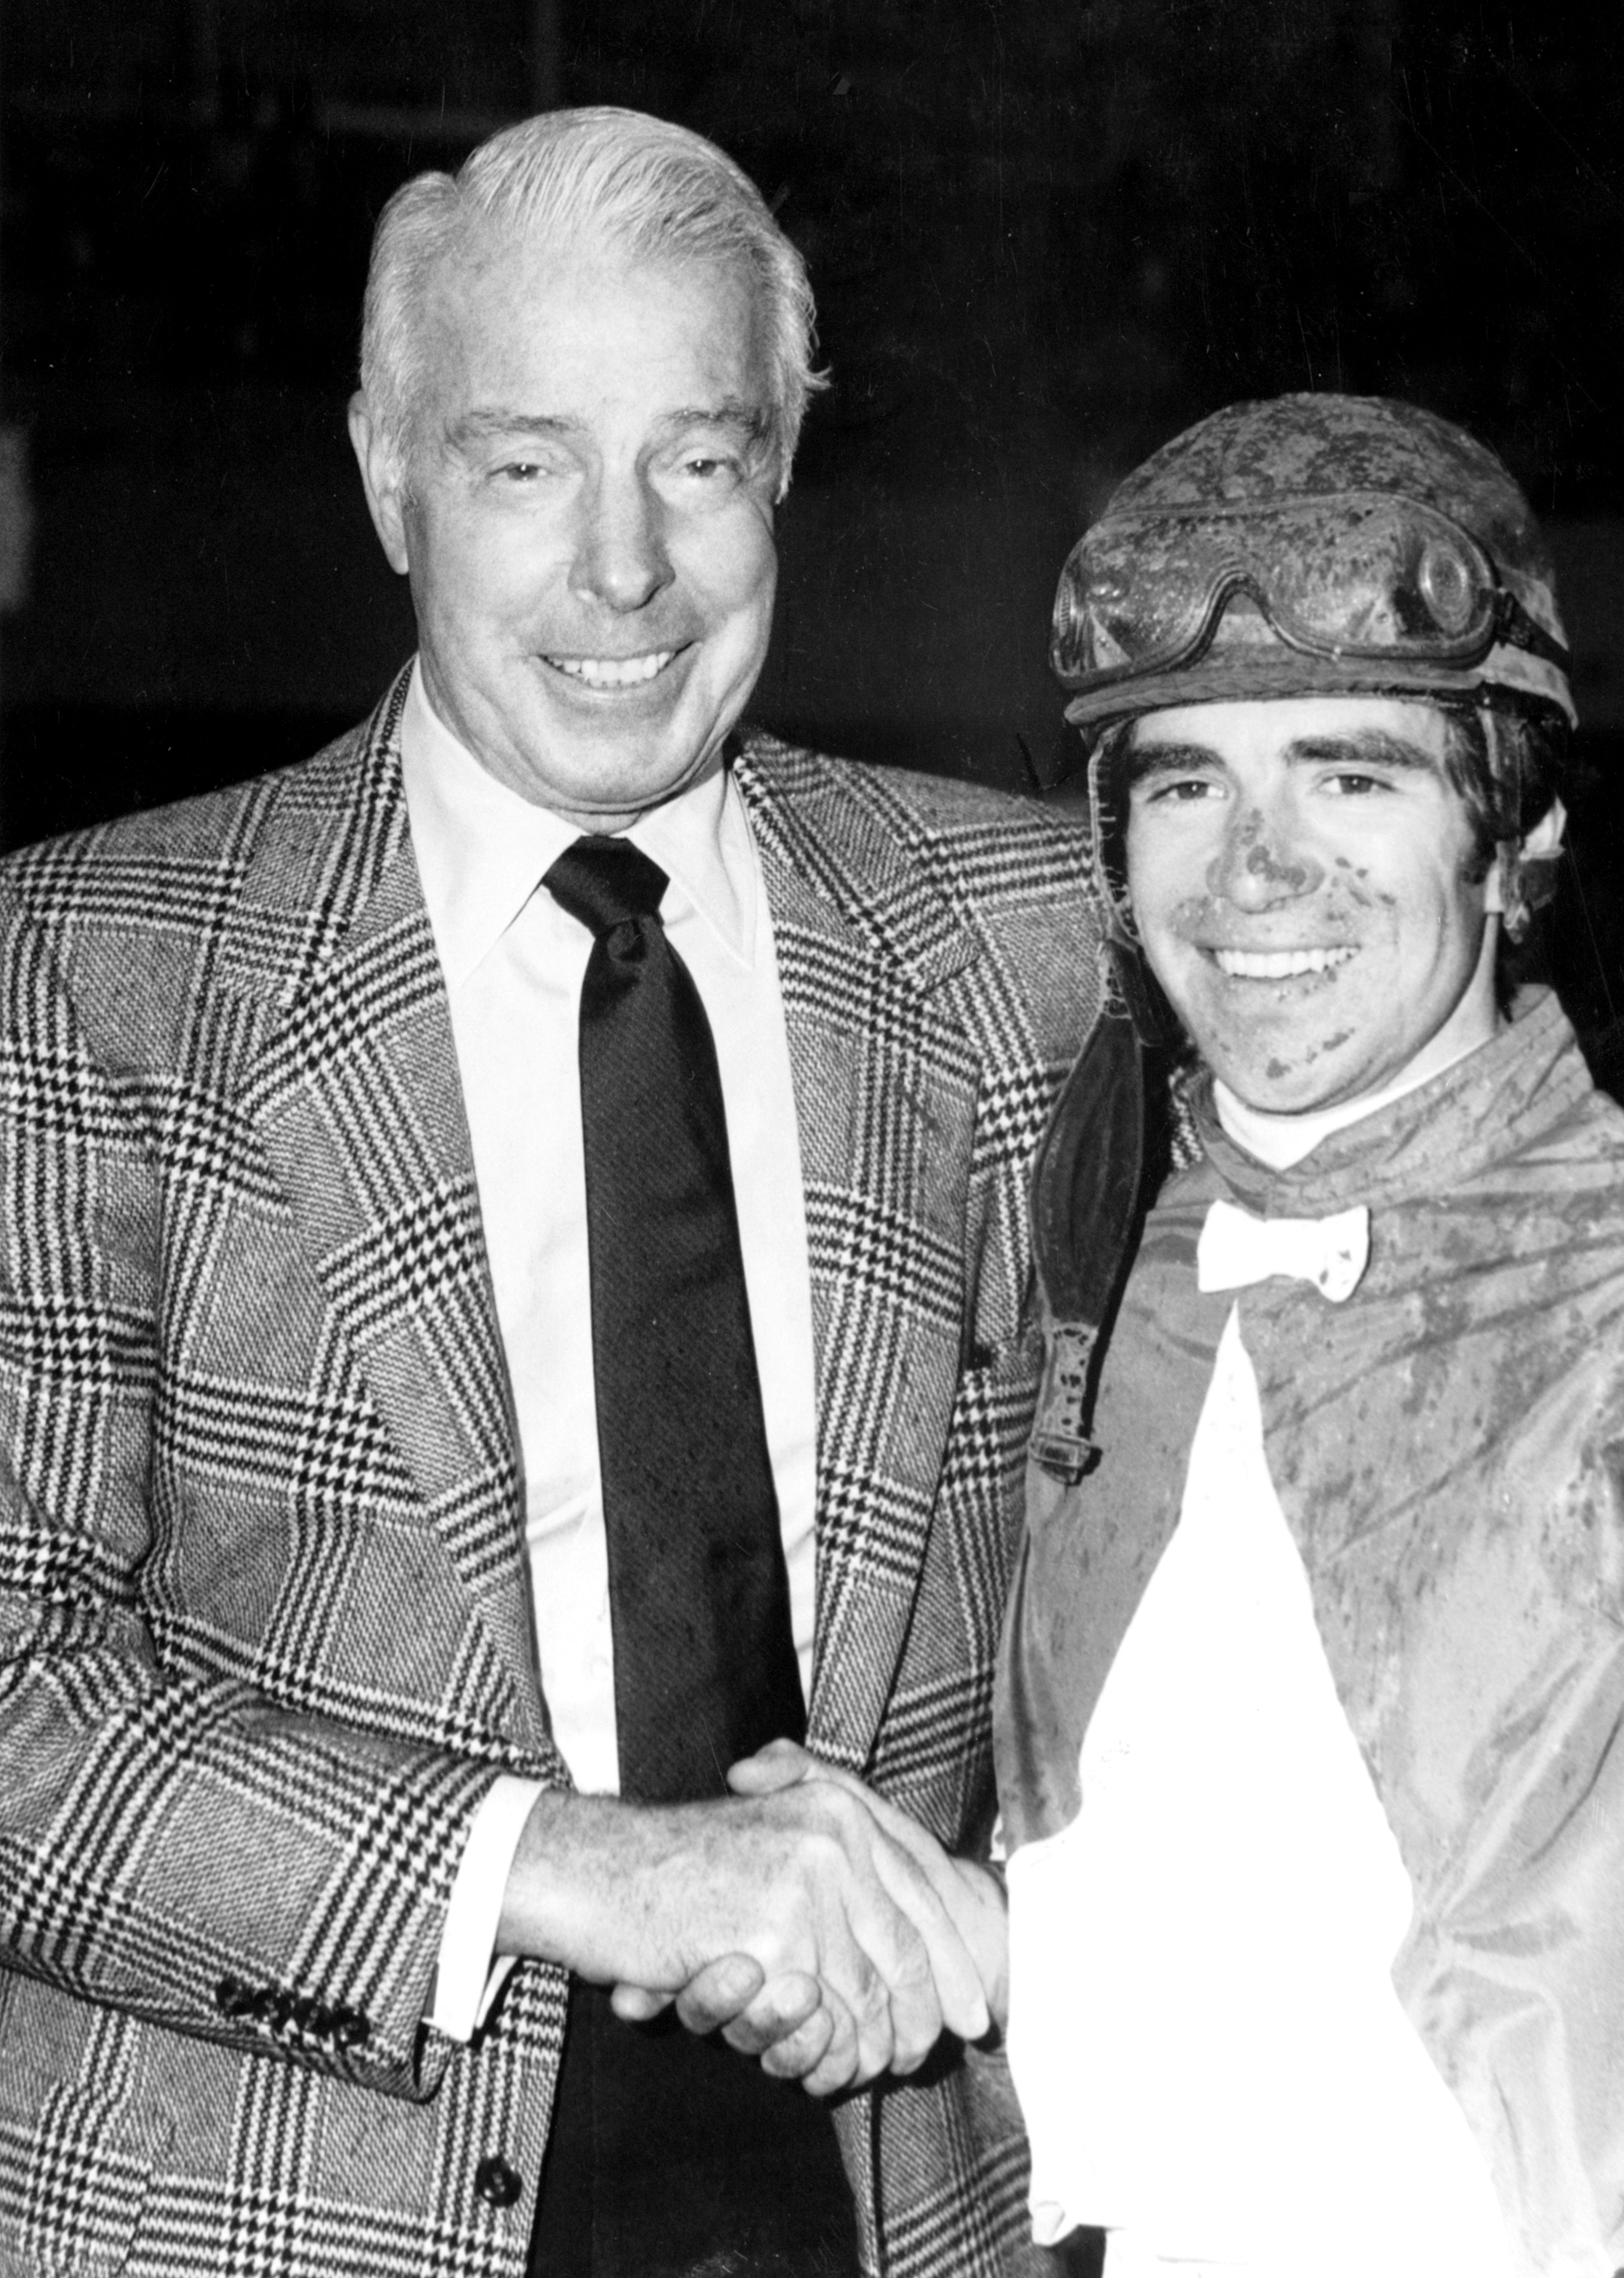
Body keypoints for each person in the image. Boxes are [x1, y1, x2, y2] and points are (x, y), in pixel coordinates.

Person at [0, 108, 1097, 2278]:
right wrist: (565, 1865)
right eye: (524, 466)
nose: (623, 572)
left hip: (894, 2212)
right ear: (384, 470)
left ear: (779, 464)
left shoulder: (1043, 935)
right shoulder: (80, 963)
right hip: (265, 2207)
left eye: (694, 459)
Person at [974, 392, 1624, 2278]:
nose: (1258, 871)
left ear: (1516, 847)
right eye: (1188, 783)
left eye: (1353, 776)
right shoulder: (1081, 1262)